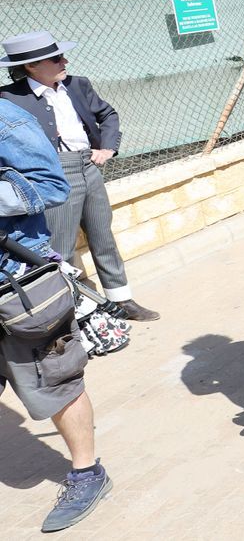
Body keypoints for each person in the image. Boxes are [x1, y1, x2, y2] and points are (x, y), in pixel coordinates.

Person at [0, 98, 114, 533]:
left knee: (54, 380)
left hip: (19, 282)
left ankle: (87, 473)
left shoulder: (7, 120)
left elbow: (51, 185)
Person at [0, 31, 159, 321]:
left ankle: (121, 299)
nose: (65, 61)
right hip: (52, 177)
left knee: (102, 234)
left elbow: (108, 114)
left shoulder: (77, 85)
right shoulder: (10, 99)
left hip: (88, 166)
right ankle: (68, 313)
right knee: (60, 247)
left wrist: (107, 147)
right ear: (31, 66)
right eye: (56, 58)